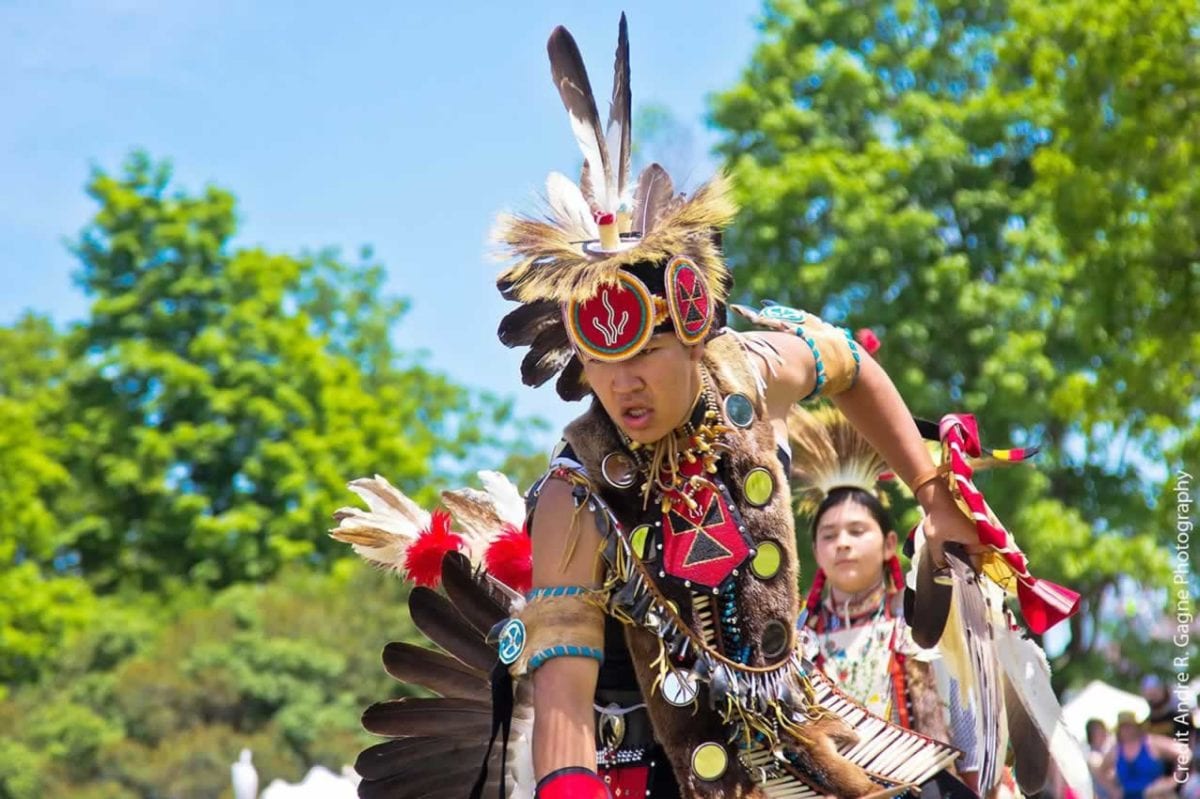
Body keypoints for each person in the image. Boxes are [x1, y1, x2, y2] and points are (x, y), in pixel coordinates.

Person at [335, 15, 1080, 799]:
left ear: (693, 335)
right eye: (604, 364)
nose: (625, 386)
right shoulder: (573, 494)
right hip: (665, 765)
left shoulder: (755, 374)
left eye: (647, 355)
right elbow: (562, 701)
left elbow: (855, 366)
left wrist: (935, 493)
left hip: (806, 730)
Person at [789, 406, 984, 793]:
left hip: (922, 785)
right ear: (815, 548)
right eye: (829, 536)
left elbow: (967, 717)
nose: (842, 543)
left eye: (857, 530)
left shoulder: (919, 620)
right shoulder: (797, 642)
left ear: (889, 544)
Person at [1100, 711, 1182, 799]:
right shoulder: (1115, 750)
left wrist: (1173, 781)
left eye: (1129, 726)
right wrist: (1112, 790)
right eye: (1123, 727)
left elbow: (1184, 753)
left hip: (1154, 795)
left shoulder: (1151, 743)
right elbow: (1101, 770)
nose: (1126, 730)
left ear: (1137, 727)